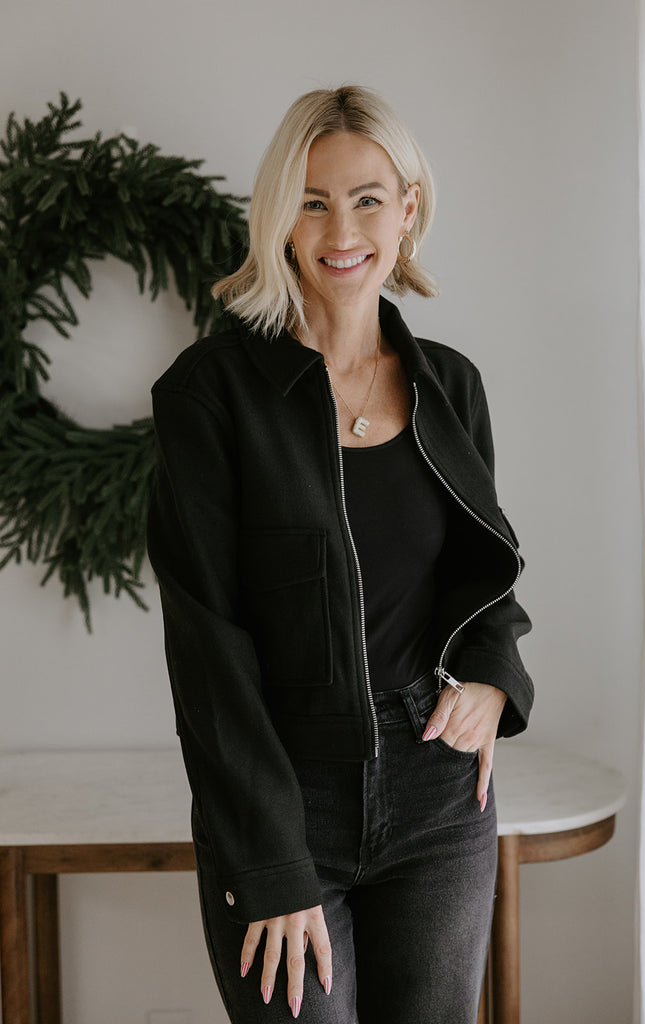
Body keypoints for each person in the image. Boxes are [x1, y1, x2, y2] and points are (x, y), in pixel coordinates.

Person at [147, 84, 533, 1024]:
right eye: (313, 202)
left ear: (407, 210)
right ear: (281, 218)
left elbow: (480, 571)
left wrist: (491, 678)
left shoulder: (449, 386)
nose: (342, 230)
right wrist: (271, 864)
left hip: (438, 787)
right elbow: (206, 646)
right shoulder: (210, 394)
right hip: (284, 790)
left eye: (367, 199)